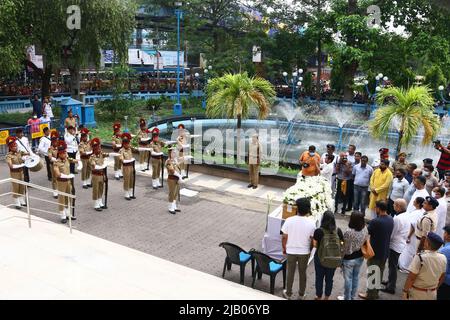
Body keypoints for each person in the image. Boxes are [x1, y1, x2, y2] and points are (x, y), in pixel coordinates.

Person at [281, 198, 316, 300]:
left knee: (290, 272)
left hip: (290, 250)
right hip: (304, 252)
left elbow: (284, 237)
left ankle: (288, 293)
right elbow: (312, 240)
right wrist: (309, 251)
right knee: (302, 273)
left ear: (297, 208)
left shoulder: (289, 220)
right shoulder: (311, 223)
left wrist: (284, 248)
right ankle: (301, 294)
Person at [359, 200, 394, 300]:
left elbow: (366, 232)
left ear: (378, 208)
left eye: (375, 207)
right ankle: (375, 293)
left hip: (375, 251)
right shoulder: (390, 219)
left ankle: (370, 295)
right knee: (380, 272)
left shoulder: (376, 221)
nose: (375, 209)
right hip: (385, 251)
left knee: (372, 272)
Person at [402, 232, 447, 300]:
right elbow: (442, 276)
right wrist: (434, 288)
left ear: (427, 242)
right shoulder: (443, 257)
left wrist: (405, 291)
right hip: (432, 293)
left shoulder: (420, 257)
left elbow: (411, 278)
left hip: (417, 293)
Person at [312, 211, 344, 300]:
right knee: (329, 279)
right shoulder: (338, 230)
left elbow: (314, 245)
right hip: (333, 259)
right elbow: (342, 242)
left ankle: (318, 296)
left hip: (320, 258)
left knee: (319, 278)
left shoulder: (319, 231)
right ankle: (327, 297)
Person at [381, 199, 409, 294]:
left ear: (398, 207)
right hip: (400, 243)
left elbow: (392, 233)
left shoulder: (398, 218)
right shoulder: (405, 215)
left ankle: (391, 287)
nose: (392, 206)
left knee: (392, 266)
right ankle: (390, 282)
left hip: (395, 244)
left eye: (394, 205)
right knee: (392, 265)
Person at [340, 211, 368, 300]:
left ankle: (347, 297)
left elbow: (344, 247)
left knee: (348, 279)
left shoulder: (349, 232)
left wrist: (340, 259)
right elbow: (364, 241)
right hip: (360, 256)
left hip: (349, 258)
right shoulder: (365, 229)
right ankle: (353, 296)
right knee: (355, 277)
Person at [399, 197, 426, 271]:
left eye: (415, 201)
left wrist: (409, 236)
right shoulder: (419, 211)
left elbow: (413, 226)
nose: (413, 201)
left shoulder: (417, 213)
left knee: (409, 251)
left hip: (413, 235)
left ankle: (405, 267)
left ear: (418, 204)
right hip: (413, 234)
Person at [53, 141, 76, 223]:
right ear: (59, 154)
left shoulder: (67, 159)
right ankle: (62, 215)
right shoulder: (56, 163)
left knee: (68, 197)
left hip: (68, 182)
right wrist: (67, 176)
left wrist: (79, 163)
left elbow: (75, 160)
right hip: (61, 182)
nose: (65, 154)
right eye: (63, 153)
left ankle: (68, 213)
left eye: (65, 152)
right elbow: (58, 174)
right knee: (62, 198)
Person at [5, 136, 28, 208]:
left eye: (16, 145)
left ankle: (21, 199)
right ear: (10, 148)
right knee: (16, 187)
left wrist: (26, 157)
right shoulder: (8, 156)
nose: (15, 147)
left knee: (22, 186)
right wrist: (21, 165)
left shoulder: (19, 152)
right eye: (14, 146)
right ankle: (16, 201)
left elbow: (27, 154)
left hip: (21, 172)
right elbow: (11, 166)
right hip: (14, 173)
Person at [89, 138, 109, 211]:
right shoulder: (92, 157)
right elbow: (93, 165)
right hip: (96, 175)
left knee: (101, 188)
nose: (99, 149)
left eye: (100, 147)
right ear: (94, 149)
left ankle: (100, 201)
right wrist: (101, 166)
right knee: (96, 189)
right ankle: (96, 204)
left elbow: (107, 155)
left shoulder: (101, 154)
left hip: (101, 174)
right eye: (98, 148)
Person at [119, 133, 136, 200]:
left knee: (131, 179)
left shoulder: (129, 149)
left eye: (129, 143)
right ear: (124, 144)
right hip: (126, 167)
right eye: (127, 144)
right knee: (127, 180)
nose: (128, 145)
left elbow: (136, 150)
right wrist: (127, 160)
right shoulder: (121, 150)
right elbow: (121, 159)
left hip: (131, 166)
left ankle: (131, 193)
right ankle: (126, 193)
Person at [166, 147, 182, 214]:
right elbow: (172, 170)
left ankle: (174, 206)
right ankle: (170, 207)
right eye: (173, 152)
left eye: (175, 152)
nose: (175, 154)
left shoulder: (174, 160)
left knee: (175, 194)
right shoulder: (168, 161)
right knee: (172, 193)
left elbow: (177, 166)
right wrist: (179, 176)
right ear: (170, 153)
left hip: (176, 179)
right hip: (172, 179)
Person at [437, 225, 450, 300]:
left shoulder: (445, 250)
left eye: (445, 232)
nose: (444, 234)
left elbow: (441, 270)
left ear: (449, 236)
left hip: (445, 283)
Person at [47, 131, 60, 198]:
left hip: (60, 165)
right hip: (53, 165)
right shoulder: (50, 149)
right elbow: (50, 157)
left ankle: (60, 190)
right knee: (54, 178)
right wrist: (56, 159)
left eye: (56, 139)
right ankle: (55, 191)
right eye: (53, 140)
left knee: (60, 177)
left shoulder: (60, 146)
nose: (55, 141)